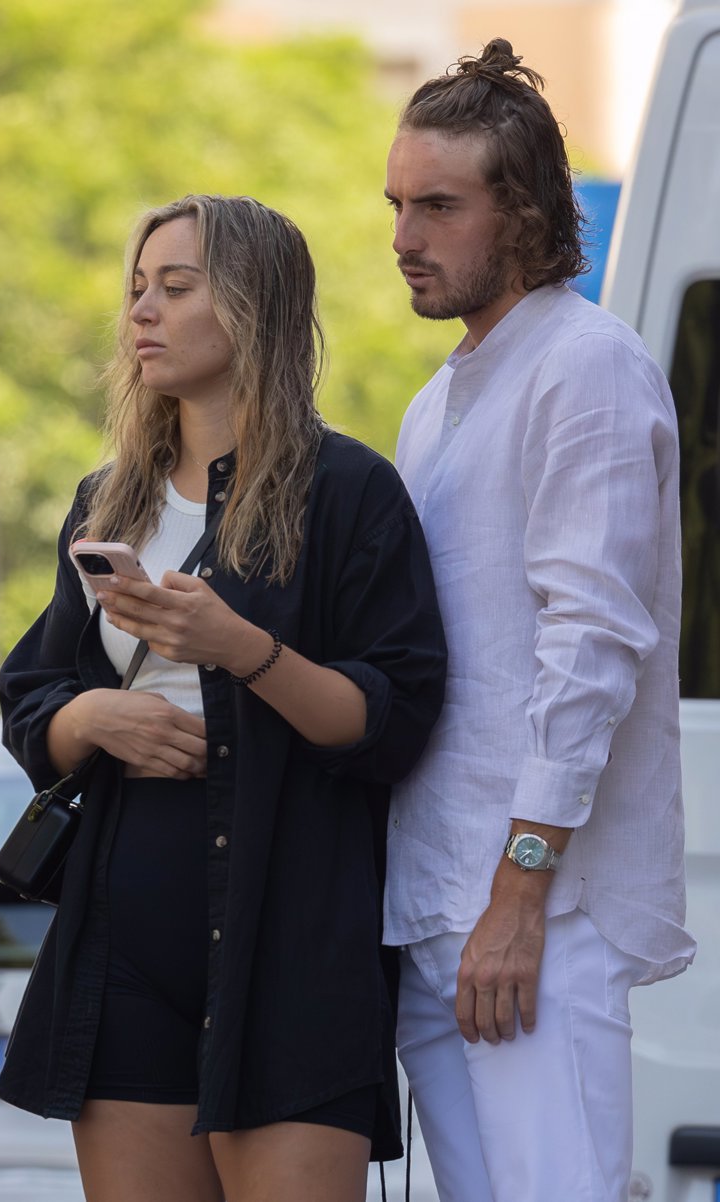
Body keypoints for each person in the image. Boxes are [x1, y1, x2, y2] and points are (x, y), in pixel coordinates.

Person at [0, 193, 448, 1202]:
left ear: (251, 304)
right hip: (123, 937)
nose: (141, 311)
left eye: (175, 286)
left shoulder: (347, 490)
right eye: (136, 289)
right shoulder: (109, 496)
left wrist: (239, 648)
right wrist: (92, 719)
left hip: (291, 937)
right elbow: (34, 695)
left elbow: (392, 720)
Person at [381, 38, 696, 1202]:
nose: (403, 235)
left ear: (520, 214)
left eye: (438, 206)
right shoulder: (434, 401)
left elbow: (590, 646)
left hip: (537, 912)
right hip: (434, 903)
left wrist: (517, 895)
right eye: (395, 204)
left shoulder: (585, 366)